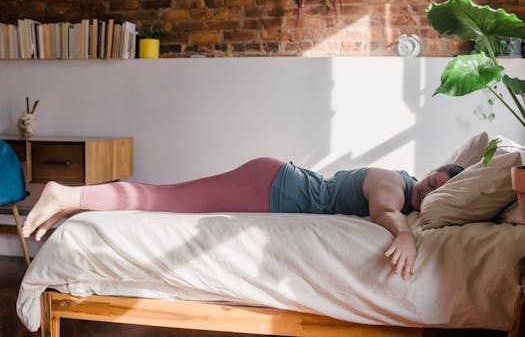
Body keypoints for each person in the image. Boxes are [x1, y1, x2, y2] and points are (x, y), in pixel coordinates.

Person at [22, 157, 463, 280]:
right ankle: (67, 193)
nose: (429, 190)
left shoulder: (409, 195)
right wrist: (403, 236)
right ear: (426, 173)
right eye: (432, 181)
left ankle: (71, 198)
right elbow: (384, 209)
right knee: (161, 199)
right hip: (273, 188)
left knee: (165, 197)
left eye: (439, 190)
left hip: (275, 184)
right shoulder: (395, 183)